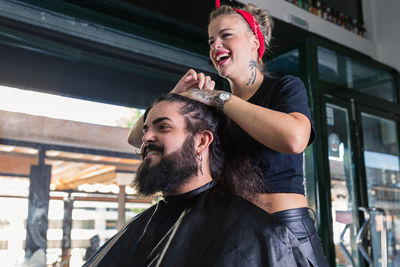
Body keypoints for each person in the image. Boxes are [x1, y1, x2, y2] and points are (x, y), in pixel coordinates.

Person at [129, 1, 328, 266]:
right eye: (211, 41)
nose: (215, 46)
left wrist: (221, 98)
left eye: (226, 35)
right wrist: (176, 95)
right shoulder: (215, 107)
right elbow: (135, 139)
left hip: (287, 229)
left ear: (254, 42)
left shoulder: (284, 88)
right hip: (235, 234)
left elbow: (294, 139)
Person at [86, 94, 309, 266]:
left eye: (163, 127)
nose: (146, 138)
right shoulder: (144, 224)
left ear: (201, 141)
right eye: (146, 129)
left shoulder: (260, 234)